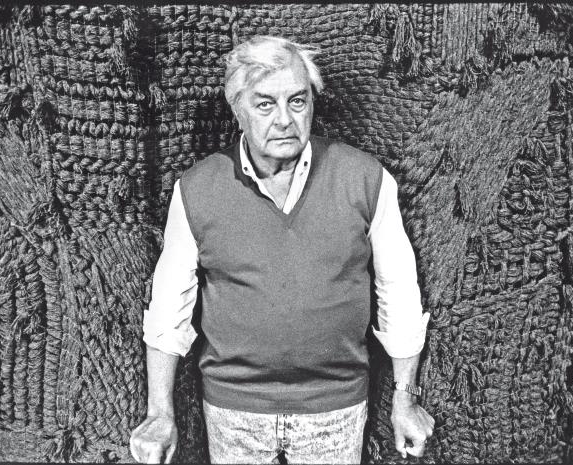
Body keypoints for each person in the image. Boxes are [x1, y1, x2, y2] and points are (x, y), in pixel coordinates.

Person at [129, 35, 434, 464]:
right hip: (233, 411)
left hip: (336, 410)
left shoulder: (365, 178)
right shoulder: (197, 189)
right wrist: (159, 413)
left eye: (297, 101)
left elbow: (398, 292)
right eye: (265, 104)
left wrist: (406, 399)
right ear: (238, 110)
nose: (285, 120)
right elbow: (168, 312)